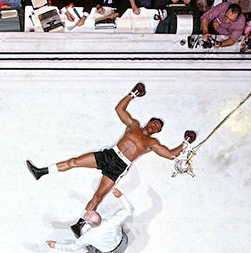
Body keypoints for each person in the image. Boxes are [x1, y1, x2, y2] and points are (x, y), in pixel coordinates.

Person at [26, 84, 196, 227]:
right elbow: (119, 109)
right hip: (109, 155)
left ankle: (80, 225)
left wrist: (185, 143)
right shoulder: (133, 125)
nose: (154, 127)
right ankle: (41, 172)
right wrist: (132, 94)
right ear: (150, 122)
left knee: (98, 196)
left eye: (157, 128)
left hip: (118, 166)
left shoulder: (152, 144)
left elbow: (171, 155)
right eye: (154, 123)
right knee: (74, 161)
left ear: (157, 132)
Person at [47, 187, 133, 253]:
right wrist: (121, 196)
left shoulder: (88, 236)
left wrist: (55, 245)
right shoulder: (112, 221)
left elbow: (73, 247)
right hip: (124, 241)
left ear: (89, 224)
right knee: (117, 227)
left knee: (90, 248)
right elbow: (129, 210)